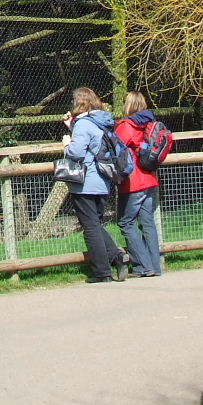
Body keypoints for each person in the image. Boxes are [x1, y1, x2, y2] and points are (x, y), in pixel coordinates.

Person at [62, 87, 130, 283]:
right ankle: (117, 256)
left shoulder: (84, 124)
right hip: (102, 181)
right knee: (95, 224)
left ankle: (102, 272)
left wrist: (67, 143)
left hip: (85, 183)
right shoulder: (101, 122)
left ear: (79, 103)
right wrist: (71, 126)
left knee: (90, 227)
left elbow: (77, 153)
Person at [114, 90, 163, 277]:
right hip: (150, 179)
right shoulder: (150, 124)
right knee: (147, 222)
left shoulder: (126, 126)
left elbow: (115, 147)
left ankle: (143, 266)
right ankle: (155, 266)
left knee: (126, 222)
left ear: (128, 105)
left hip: (133, 182)